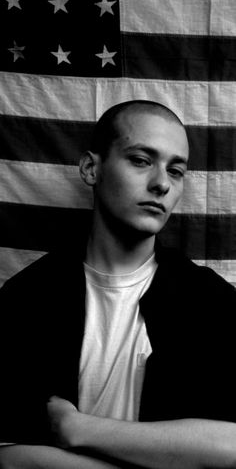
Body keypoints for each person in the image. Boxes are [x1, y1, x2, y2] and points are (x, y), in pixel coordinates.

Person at [0, 99, 236, 469]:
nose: (161, 184)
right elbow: (11, 457)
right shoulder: (25, 301)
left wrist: (79, 428)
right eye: (141, 161)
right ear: (92, 168)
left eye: (176, 171)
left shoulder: (210, 302)